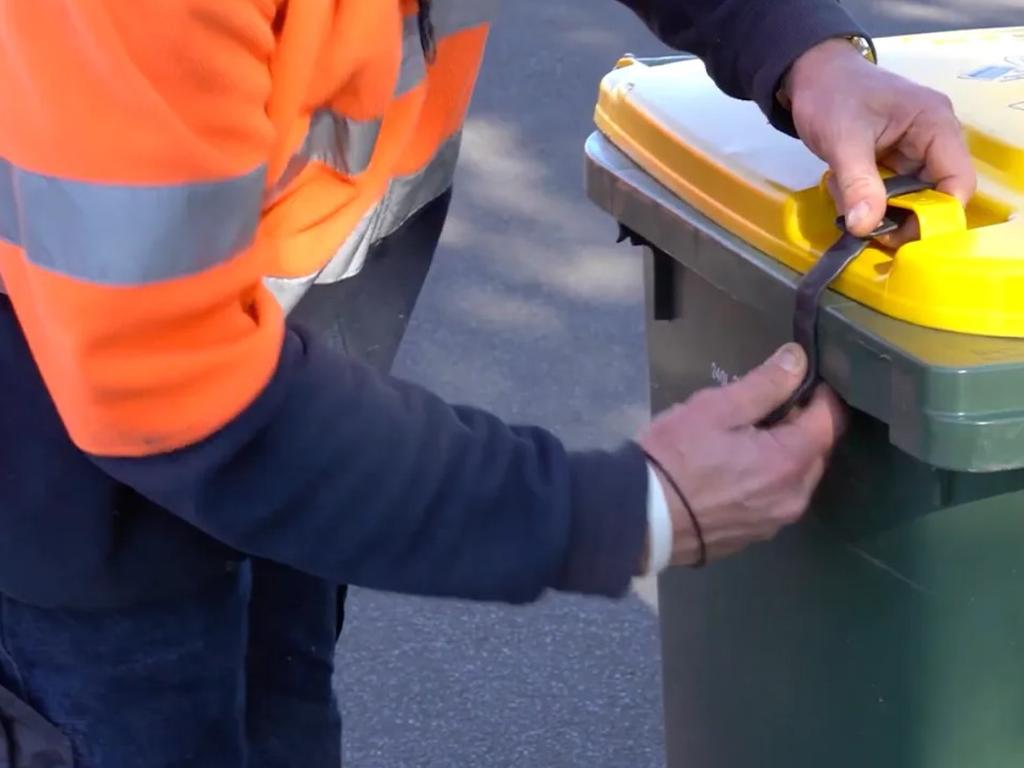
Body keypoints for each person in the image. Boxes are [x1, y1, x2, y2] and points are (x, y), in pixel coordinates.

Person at [0, 1, 974, 766]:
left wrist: (804, 52)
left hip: (305, 420)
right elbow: (169, 390)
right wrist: (618, 510)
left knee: (285, 721)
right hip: (76, 509)